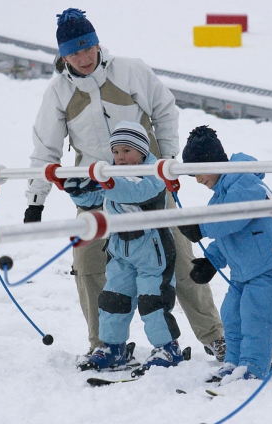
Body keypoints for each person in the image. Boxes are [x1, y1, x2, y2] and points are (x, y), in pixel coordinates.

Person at [23, 8, 225, 365]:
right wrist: (35, 201)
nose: (83, 58)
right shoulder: (58, 92)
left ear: (97, 44)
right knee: (88, 264)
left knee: (179, 260)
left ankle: (215, 337)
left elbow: (165, 111)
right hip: (95, 192)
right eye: (74, 53)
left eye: (88, 48)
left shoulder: (131, 70)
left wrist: (167, 164)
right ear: (63, 56)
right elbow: (46, 148)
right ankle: (105, 344)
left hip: (149, 188)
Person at [64, 122, 184, 370]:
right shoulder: (113, 175)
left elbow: (132, 193)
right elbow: (95, 198)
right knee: (112, 299)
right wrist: (77, 188)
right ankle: (113, 347)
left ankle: (167, 348)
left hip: (153, 251)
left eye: (126, 151)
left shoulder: (154, 174)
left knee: (153, 301)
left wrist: (105, 183)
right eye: (116, 152)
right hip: (120, 250)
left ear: (141, 151)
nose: (120, 157)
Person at [178, 126, 272, 383]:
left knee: (255, 317)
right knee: (231, 315)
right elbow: (227, 234)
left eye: (198, 171)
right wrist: (211, 261)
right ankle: (234, 362)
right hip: (243, 269)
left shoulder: (244, 180)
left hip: (265, 265)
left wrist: (202, 227)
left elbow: (234, 217)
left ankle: (253, 367)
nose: (197, 179)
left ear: (214, 162)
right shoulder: (221, 194)